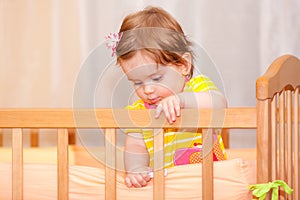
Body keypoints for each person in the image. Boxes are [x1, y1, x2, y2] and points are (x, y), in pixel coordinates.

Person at [112, 6, 227, 188]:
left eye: (156, 78)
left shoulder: (197, 88)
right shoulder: (140, 110)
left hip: (208, 182)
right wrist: (136, 168)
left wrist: (183, 101)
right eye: (137, 82)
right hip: (167, 188)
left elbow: (219, 104)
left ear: (183, 65)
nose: (147, 90)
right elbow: (136, 146)